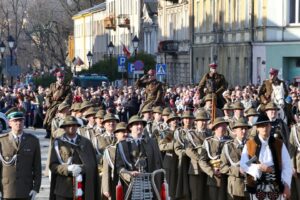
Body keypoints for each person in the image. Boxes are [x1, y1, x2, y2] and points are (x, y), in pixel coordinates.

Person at [240, 114, 292, 200]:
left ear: (270, 126)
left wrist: (286, 185)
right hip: (257, 187)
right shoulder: (250, 144)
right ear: (257, 128)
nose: (264, 128)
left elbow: (287, 165)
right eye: (261, 126)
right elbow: (244, 164)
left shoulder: (279, 144)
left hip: (276, 186)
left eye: (267, 125)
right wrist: (258, 167)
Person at [49, 116, 100, 200]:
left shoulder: (86, 142)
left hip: (84, 188)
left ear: (77, 127)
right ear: (64, 128)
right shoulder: (58, 143)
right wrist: (67, 168)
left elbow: (92, 164)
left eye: (74, 125)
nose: (71, 127)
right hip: (63, 189)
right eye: (68, 125)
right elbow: (53, 165)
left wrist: (81, 168)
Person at [115, 115, 163, 197]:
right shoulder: (122, 145)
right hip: (131, 186)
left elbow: (158, 164)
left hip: (150, 184)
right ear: (130, 127)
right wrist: (129, 174)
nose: (140, 126)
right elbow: (119, 167)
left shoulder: (152, 143)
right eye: (136, 124)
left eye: (141, 124)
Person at [0, 110, 41, 199]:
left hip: (26, 189)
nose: (18, 123)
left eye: (21, 120)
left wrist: (36, 188)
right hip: (7, 190)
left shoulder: (33, 141)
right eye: (15, 121)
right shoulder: (2, 141)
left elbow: (37, 167)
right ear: (9, 123)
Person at [199, 117, 231, 200]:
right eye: (222, 125)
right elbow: (202, 160)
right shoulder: (209, 142)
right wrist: (211, 171)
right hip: (214, 179)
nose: (224, 127)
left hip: (228, 177)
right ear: (216, 128)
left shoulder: (230, 141)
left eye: (225, 125)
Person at [220, 118, 250, 200]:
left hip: (250, 186)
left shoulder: (251, 145)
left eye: (245, 129)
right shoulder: (228, 146)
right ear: (235, 131)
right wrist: (237, 171)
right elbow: (222, 167)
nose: (244, 131)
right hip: (235, 187)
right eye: (241, 129)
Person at [185, 110, 211, 200]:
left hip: (208, 168)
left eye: (205, 121)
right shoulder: (191, 134)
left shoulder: (210, 134)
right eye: (201, 121)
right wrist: (201, 159)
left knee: (207, 195)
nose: (204, 123)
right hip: (196, 169)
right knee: (196, 196)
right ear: (196, 122)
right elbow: (188, 150)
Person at [102, 122, 127, 200]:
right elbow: (106, 171)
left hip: (131, 182)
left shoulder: (134, 147)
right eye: (122, 132)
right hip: (116, 182)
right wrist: (106, 189)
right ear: (116, 134)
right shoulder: (110, 150)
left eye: (127, 131)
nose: (125, 134)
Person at [43, 71, 72, 138]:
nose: (60, 79)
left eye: (62, 77)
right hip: (52, 103)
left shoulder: (67, 87)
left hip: (61, 104)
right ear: (57, 78)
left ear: (64, 78)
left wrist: (64, 103)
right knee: (48, 116)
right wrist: (48, 103)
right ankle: (48, 132)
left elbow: (69, 96)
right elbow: (48, 96)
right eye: (59, 77)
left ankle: (58, 131)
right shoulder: (52, 85)